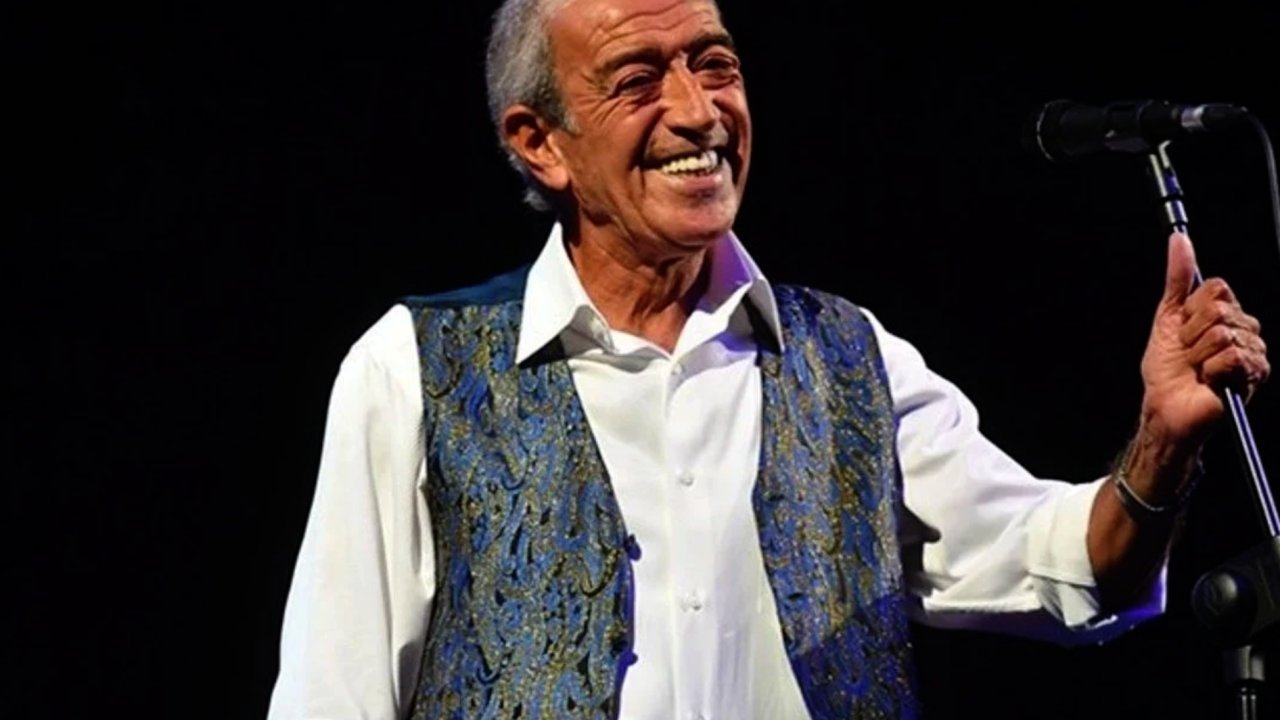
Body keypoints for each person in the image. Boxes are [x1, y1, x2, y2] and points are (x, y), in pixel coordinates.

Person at [266, 0, 1271, 718]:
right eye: (637, 80)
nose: (698, 111)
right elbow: (331, 696)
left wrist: (1161, 442)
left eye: (714, 64)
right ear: (540, 144)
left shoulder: (846, 362)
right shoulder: (416, 371)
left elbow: (1067, 571)